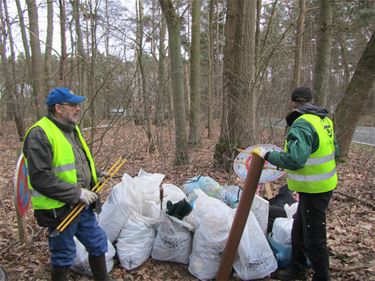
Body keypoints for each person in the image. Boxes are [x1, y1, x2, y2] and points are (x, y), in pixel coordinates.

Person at [23, 88, 112, 281]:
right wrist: (76, 192)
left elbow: (76, 162)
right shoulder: (40, 134)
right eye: (73, 105)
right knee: (64, 255)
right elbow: (40, 178)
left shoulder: (72, 128)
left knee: (97, 242)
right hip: (59, 210)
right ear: (58, 108)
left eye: (78, 104)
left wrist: (94, 175)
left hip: (81, 205)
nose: (78, 109)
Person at [252, 87, 338, 281]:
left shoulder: (301, 124)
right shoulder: (324, 120)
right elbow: (335, 151)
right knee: (299, 229)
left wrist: (266, 155)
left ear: (292, 103)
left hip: (315, 189)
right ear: (310, 101)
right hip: (321, 185)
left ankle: (322, 277)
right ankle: (297, 270)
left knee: (314, 237)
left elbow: (295, 160)